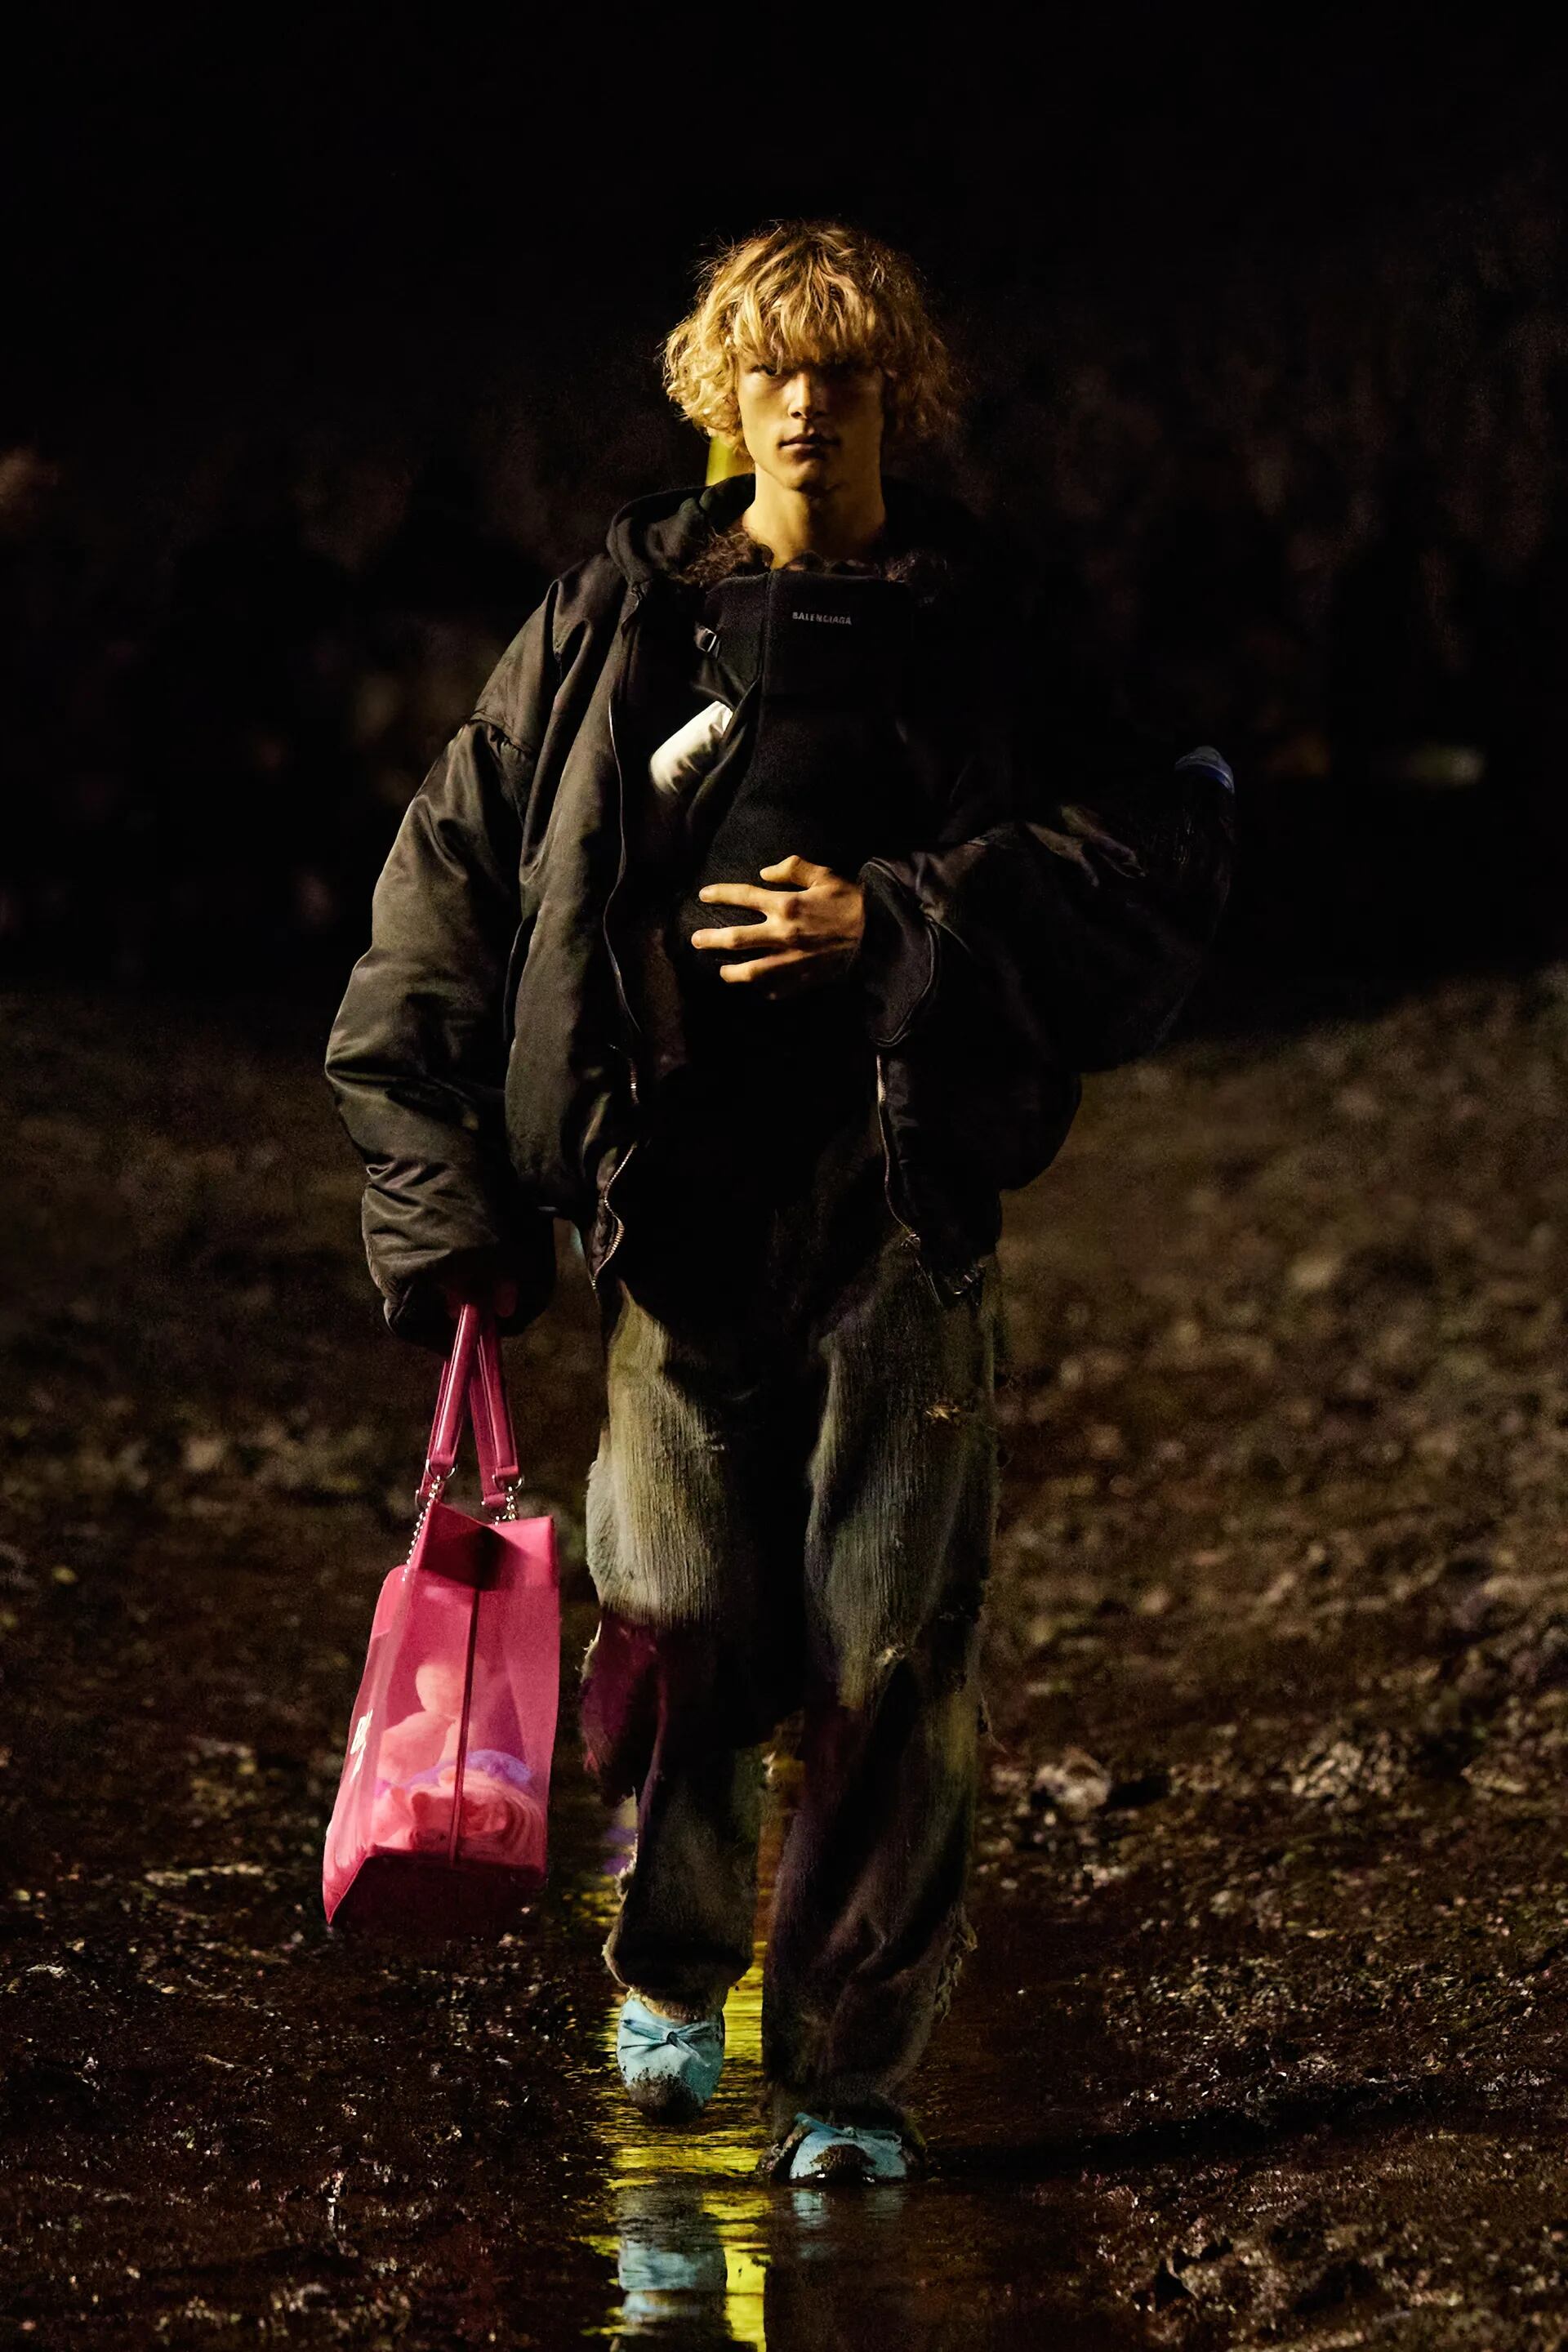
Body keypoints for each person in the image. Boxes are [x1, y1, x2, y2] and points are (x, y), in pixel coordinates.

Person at [324, 220, 1234, 2183]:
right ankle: (671, 1973)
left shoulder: (992, 621)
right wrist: (447, 1206)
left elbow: (1161, 850)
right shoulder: (613, 621)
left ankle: (850, 2075)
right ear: (716, 397)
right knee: (665, 1618)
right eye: (770, 373)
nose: (806, 405)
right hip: (672, 1218)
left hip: (902, 1216)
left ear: (900, 393)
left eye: (843, 374)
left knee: (892, 1650)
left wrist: (899, 918)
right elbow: (443, 899)